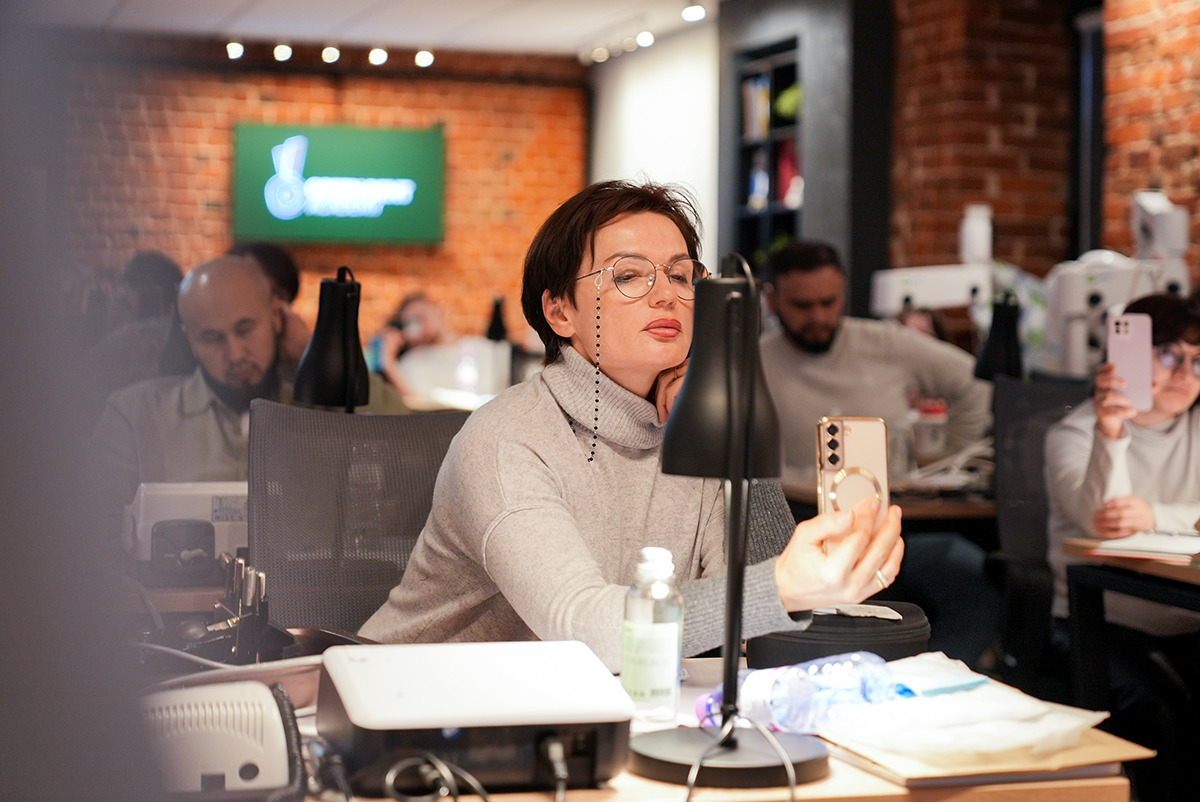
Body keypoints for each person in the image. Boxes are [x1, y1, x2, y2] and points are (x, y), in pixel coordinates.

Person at [359, 180, 905, 672]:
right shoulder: (507, 439)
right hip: (418, 710)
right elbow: (584, 628)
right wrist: (781, 587)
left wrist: (727, 414)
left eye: (680, 275)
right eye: (628, 276)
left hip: (595, 708)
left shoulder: (691, 431)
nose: (666, 294)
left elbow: (769, 627)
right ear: (560, 312)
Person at [758, 239, 997, 667]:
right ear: (772, 300)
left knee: (972, 572)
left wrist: (945, 457)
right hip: (796, 527)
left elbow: (976, 385)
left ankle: (931, 682)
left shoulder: (886, 343)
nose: (818, 317)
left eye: (829, 302)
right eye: (802, 305)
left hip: (895, 522)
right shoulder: (754, 361)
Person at [86, 255, 407, 547]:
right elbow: (94, 537)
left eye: (245, 329)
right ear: (189, 340)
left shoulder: (323, 410)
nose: (235, 354)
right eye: (212, 338)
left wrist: (312, 355)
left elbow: (412, 445)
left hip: (306, 589)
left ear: (277, 318)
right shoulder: (135, 415)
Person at [1045, 291, 1200, 801]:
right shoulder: (1073, 434)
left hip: (1186, 617)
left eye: (1198, 360)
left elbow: (1138, 519)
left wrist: (1157, 517)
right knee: (1161, 712)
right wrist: (1111, 431)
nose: (1186, 373)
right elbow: (1105, 523)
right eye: (1169, 354)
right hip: (1101, 619)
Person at [74, 250, 184, 436]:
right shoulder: (91, 353)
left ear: (168, 314)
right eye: (120, 302)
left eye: (126, 306)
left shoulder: (179, 370)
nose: (115, 314)